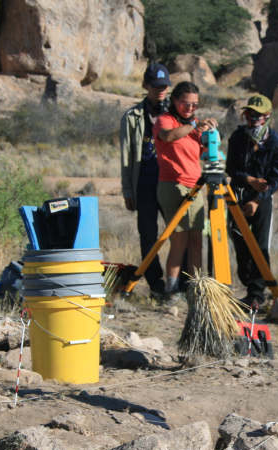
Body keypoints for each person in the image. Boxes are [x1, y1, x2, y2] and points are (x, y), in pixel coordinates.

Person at [153, 81, 218, 304]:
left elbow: (202, 153)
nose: (190, 108)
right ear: (175, 101)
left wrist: (210, 137)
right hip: (172, 184)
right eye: (185, 103)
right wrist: (194, 125)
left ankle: (195, 289)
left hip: (196, 185)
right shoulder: (166, 120)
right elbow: (168, 137)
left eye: (195, 105)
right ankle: (170, 291)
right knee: (179, 240)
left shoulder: (195, 126)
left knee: (196, 241)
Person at [225, 95, 278, 309]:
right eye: (249, 114)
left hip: (262, 201)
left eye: (258, 115)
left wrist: (257, 201)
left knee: (260, 247)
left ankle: (256, 295)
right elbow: (230, 169)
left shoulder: (277, 144)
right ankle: (249, 285)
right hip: (236, 197)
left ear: (268, 116)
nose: (253, 119)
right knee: (240, 245)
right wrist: (249, 179)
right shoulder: (237, 137)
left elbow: (275, 180)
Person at [120, 63, 172, 300]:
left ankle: (178, 283)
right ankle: (156, 284)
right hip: (144, 183)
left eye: (164, 86)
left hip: (171, 181)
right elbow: (126, 155)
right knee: (148, 235)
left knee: (178, 233)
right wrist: (128, 190)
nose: (160, 90)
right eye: (155, 86)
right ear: (145, 86)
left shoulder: (177, 111)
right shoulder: (131, 116)